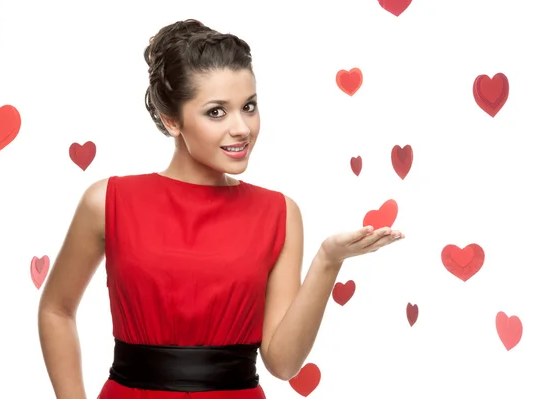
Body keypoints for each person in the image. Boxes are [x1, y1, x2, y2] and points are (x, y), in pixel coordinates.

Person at [37, 19, 404, 399]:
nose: (242, 127)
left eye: (249, 106)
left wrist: (329, 259)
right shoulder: (108, 201)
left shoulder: (279, 212)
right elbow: (56, 311)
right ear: (171, 120)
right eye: (216, 112)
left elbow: (282, 363)